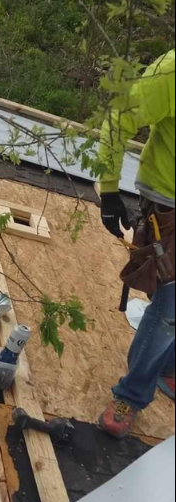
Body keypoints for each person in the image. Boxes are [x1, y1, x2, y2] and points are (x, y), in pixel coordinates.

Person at [98, 50, 175, 439]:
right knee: (170, 308)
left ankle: (169, 366)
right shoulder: (172, 71)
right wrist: (108, 191)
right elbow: (118, 120)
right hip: (169, 203)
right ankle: (130, 394)